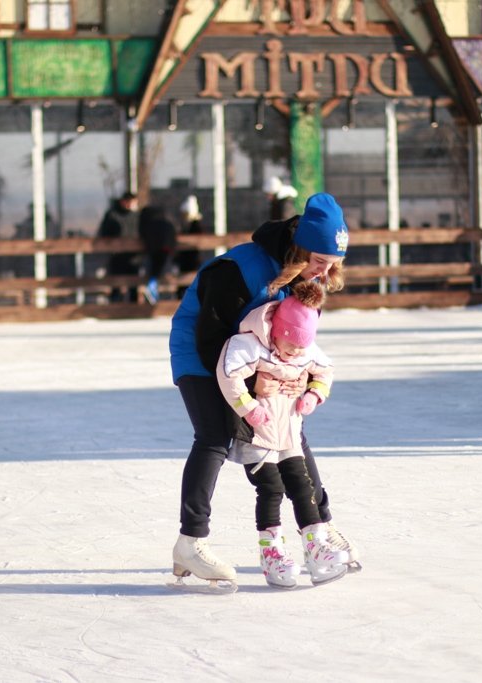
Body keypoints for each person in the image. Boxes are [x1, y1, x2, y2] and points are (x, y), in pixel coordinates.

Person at [168, 192, 357, 587]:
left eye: (333, 264)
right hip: (202, 351)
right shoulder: (242, 268)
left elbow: (297, 343)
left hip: (260, 359)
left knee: (292, 431)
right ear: (301, 247)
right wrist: (254, 386)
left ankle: (320, 526)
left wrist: (296, 381)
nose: (324, 271)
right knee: (215, 434)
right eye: (319, 261)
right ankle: (191, 541)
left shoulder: (309, 279)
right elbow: (210, 336)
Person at [216, 280, 349, 588]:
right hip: (258, 435)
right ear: (277, 331)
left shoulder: (304, 350)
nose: (294, 354)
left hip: (288, 432)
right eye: (290, 347)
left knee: (304, 489)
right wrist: (249, 407)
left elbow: (325, 371)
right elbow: (228, 375)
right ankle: (272, 551)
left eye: (301, 349)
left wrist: (313, 394)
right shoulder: (249, 345)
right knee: (272, 489)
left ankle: (316, 546)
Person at [97, 191, 140, 301]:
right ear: (123, 202)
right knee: (116, 284)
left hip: (133, 257)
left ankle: (134, 308)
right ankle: (115, 308)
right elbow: (104, 233)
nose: (131, 205)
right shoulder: (113, 215)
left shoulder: (137, 216)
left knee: (133, 285)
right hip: (117, 256)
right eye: (129, 202)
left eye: (133, 202)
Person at [137, 204, 177, 304]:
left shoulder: (148, 222)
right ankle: (160, 299)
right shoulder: (167, 221)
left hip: (155, 251)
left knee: (154, 274)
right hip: (166, 251)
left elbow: (144, 236)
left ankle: (154, 295)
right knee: (163, 276)